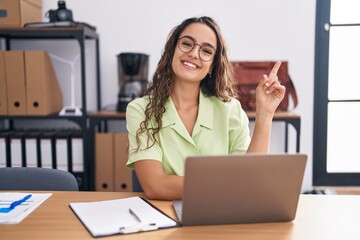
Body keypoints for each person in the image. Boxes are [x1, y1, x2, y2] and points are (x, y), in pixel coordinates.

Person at [126, 16, 285, 200]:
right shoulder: (141, 110)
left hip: (220, 215)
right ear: (172, 51)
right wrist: (230, 184)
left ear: (212, 66)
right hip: (166, 218)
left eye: (206, 51)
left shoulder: (230, 110)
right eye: (187, 44)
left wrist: (265, 113)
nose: (194, 54)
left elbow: (250, 177)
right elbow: (155, 185)